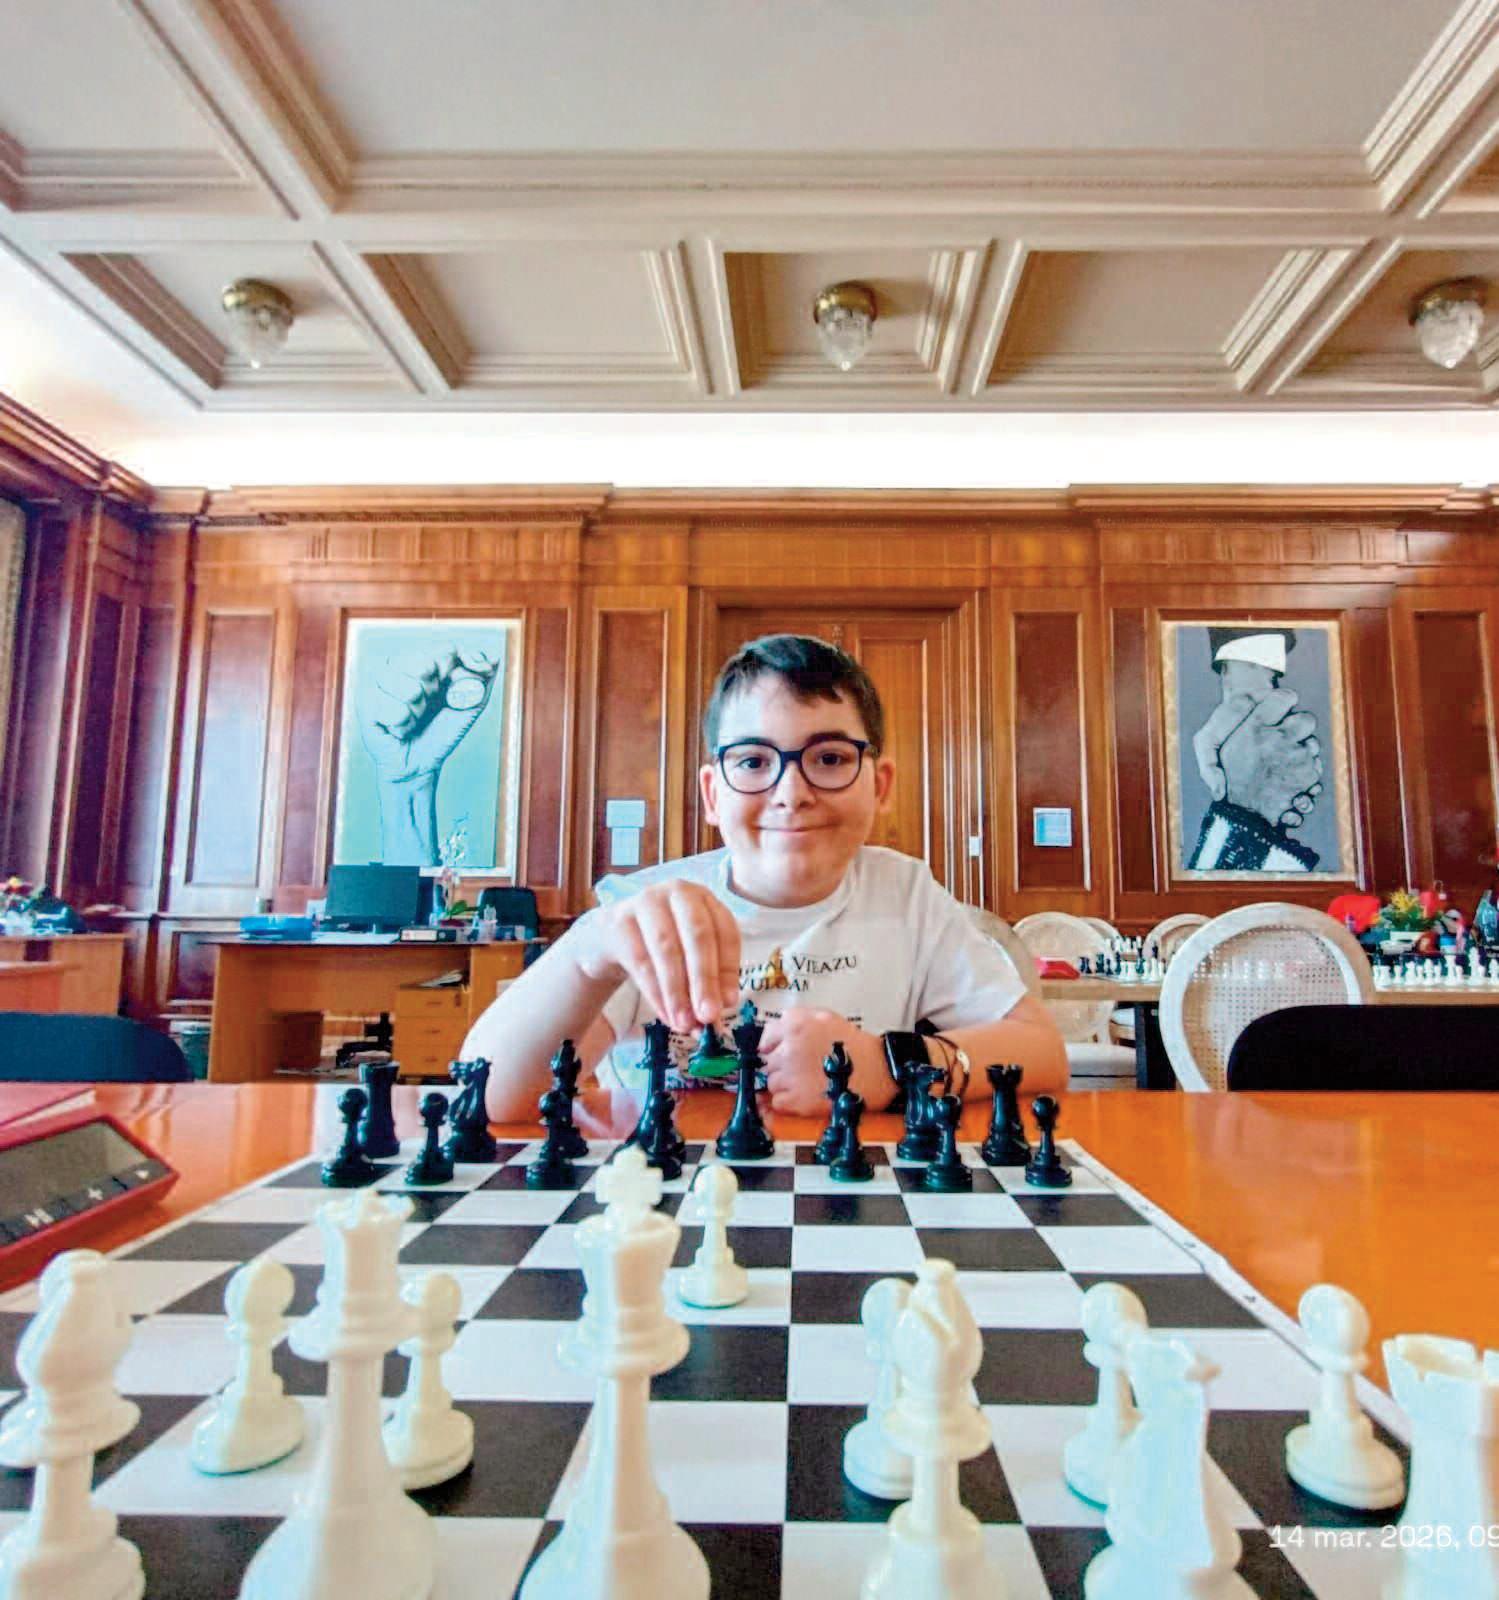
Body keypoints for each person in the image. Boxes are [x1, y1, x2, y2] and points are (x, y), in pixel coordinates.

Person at [469, 633, 1067, 1123]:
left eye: (829, 759)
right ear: (713, 794)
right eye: (754, 761)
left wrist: (887, 1067)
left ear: (879, 785)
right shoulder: (643, 910)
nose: (791, 793)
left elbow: (1042, 1051)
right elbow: (491, 1096)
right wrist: (590, 952)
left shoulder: (907, 896)